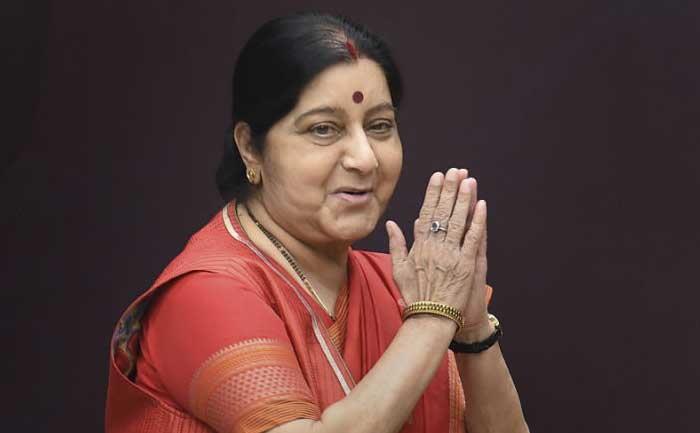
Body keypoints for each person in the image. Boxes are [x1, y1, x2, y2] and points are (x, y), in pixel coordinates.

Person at [105, 12, 529, 433]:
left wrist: (471, 328)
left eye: (380, 126)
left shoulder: (400, 287)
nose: (365, 158)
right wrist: (434, 317)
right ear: (250, 148)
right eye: (324, 129)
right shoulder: (203, 295)